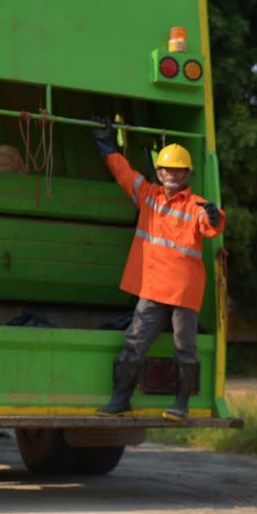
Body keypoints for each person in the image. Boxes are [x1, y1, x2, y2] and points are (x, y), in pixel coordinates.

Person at [93, 128, 224, 420]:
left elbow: (211, 224)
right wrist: (106, 145)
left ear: (187, 174)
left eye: (178, 170)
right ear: (158, 171)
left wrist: (216, 218)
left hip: (183, 292)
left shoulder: (197, 205)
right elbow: (123, 173)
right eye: (166, 169)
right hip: (153, 289)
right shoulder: (148, 196)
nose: (171, 174)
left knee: (185, 349)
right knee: (134, 343)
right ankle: (120, 401)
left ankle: (180, 406)